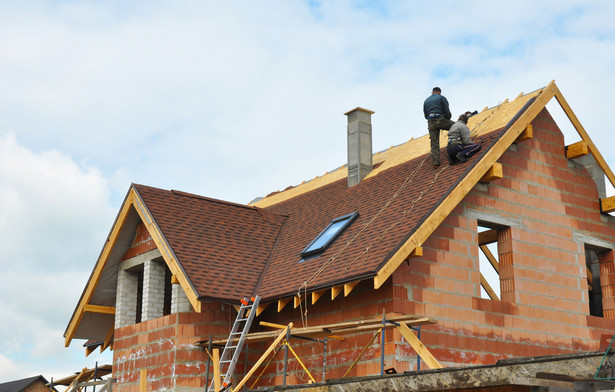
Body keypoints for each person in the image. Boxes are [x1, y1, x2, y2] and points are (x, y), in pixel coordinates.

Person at [423, 87, 455, 167]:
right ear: (439, 93)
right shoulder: (441, 98)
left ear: (432, 92)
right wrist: (447, 119)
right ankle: (456, 147)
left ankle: (435, 162)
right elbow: (447, 111)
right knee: (456, 126)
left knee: (434, 144)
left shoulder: (426, 101)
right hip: (440, 119)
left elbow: (426, 115)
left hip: (431, 123)